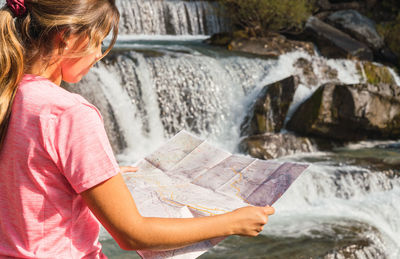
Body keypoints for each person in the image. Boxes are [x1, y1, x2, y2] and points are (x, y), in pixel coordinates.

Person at [0, 0, 275, 258]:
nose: (98, 55)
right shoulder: (68, 113)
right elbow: (133, 234)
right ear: (68, 37)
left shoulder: (10, 94)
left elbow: (25, 175)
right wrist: (233, 222)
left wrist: (94, 178)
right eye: (98, 41)